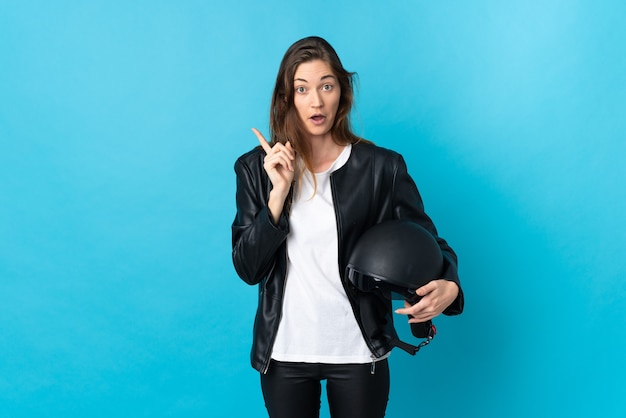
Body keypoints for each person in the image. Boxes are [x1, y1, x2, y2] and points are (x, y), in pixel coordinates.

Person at [231, 36, 464, 418]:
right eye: (302, 89)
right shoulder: (257, 169)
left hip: (359, 350)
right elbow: (247, 267)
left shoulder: (381, 167)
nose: (316, 101)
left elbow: (429, 242)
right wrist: (278, 195)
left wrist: (450, 284)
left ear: (343, 91)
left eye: (326, 85)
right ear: (286, 97)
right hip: (285, 351)